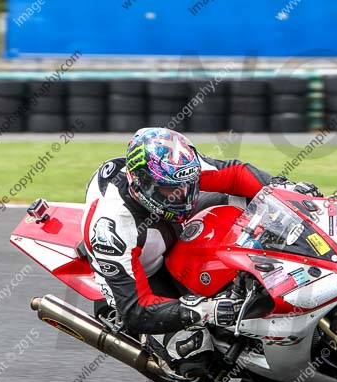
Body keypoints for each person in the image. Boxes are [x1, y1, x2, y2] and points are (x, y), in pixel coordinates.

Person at [81, 127, 320, 369]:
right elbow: (137, 309)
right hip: (145, 271)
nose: (184, 195)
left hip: (170, 224)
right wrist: (206, 310)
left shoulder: (176, 170)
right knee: (199, 359)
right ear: (142, 182)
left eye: (188, 185)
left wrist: (284, 191)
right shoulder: (111, 228)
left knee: (251, 203)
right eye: (171, 190)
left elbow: (235, 173)